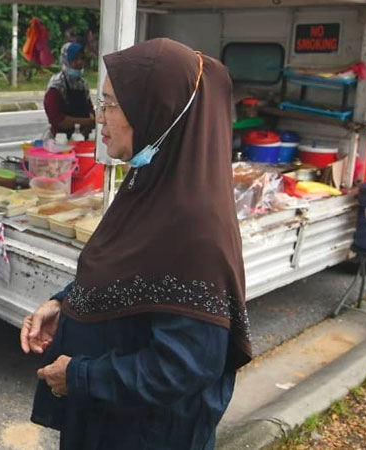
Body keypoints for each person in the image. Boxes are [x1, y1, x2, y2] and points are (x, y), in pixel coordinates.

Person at [20, 38, 251, 450]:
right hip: (113, 421)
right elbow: (130, 277)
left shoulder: (194, 223)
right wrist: (65, 303)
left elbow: (187, 364)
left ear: (154, 111)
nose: (99, 116)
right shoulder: (150, 184)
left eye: (111, 103)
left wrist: (79, 377)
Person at [44, 42, 95, 138]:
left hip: (82, 137)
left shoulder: (83, 84)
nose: (80, 62)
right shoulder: (57, 84)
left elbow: (90, 110)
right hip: (59, 140)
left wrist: (89, 125)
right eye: (75, 59)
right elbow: (57, 119)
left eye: (82, 58)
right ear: (65, 60)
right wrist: (87, 122)